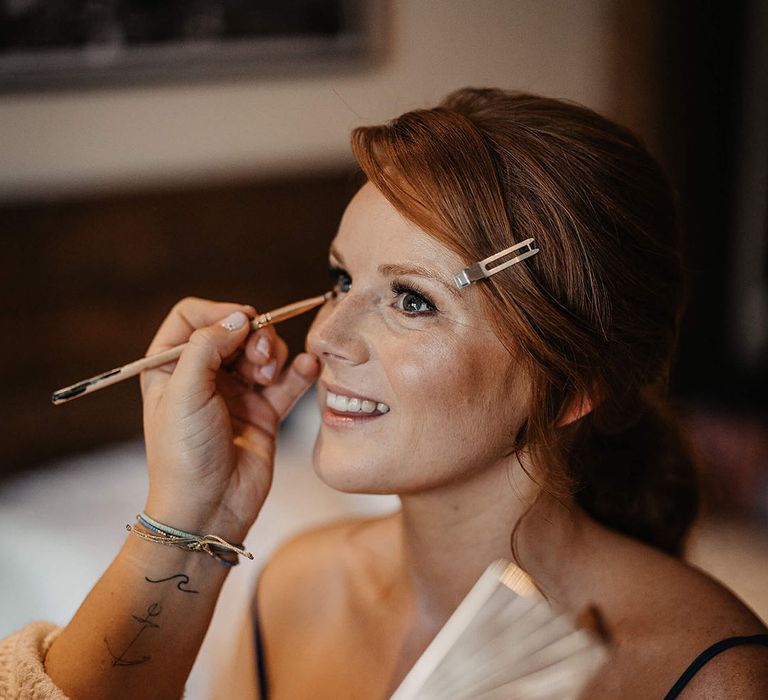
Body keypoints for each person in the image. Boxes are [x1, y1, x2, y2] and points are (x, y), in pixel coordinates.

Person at [2, 88, 767, 699]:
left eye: (411, 300)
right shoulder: (294, 592)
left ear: (575, 387)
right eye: (341, 279)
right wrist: (188, 513)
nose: (328, 336)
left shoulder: (709, 677)